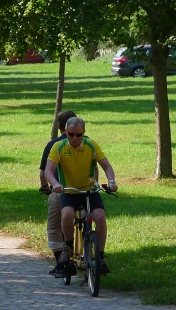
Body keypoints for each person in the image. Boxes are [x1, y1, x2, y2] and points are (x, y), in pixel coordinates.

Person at [44, 117, 118, 274]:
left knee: (100, 217)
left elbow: (106, 165)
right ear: (65, 131)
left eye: (79, 135)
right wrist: (56, 184)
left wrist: (111, 181)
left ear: (84, 133)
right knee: (67, 214)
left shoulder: (91, 145)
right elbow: (48, 171)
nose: (75, 138)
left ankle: (100, 257)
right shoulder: (59, 147)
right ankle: (68, 248)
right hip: (68, 191)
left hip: (89, 190)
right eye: (71, 134)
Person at [39, 110, 76, 277]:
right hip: (85, 190)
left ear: (59, 126)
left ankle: (62, 264)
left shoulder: (53, 144)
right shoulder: (86, 142)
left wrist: (45, 186)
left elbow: (43, 172)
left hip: (60, 190)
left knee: (54, 226)